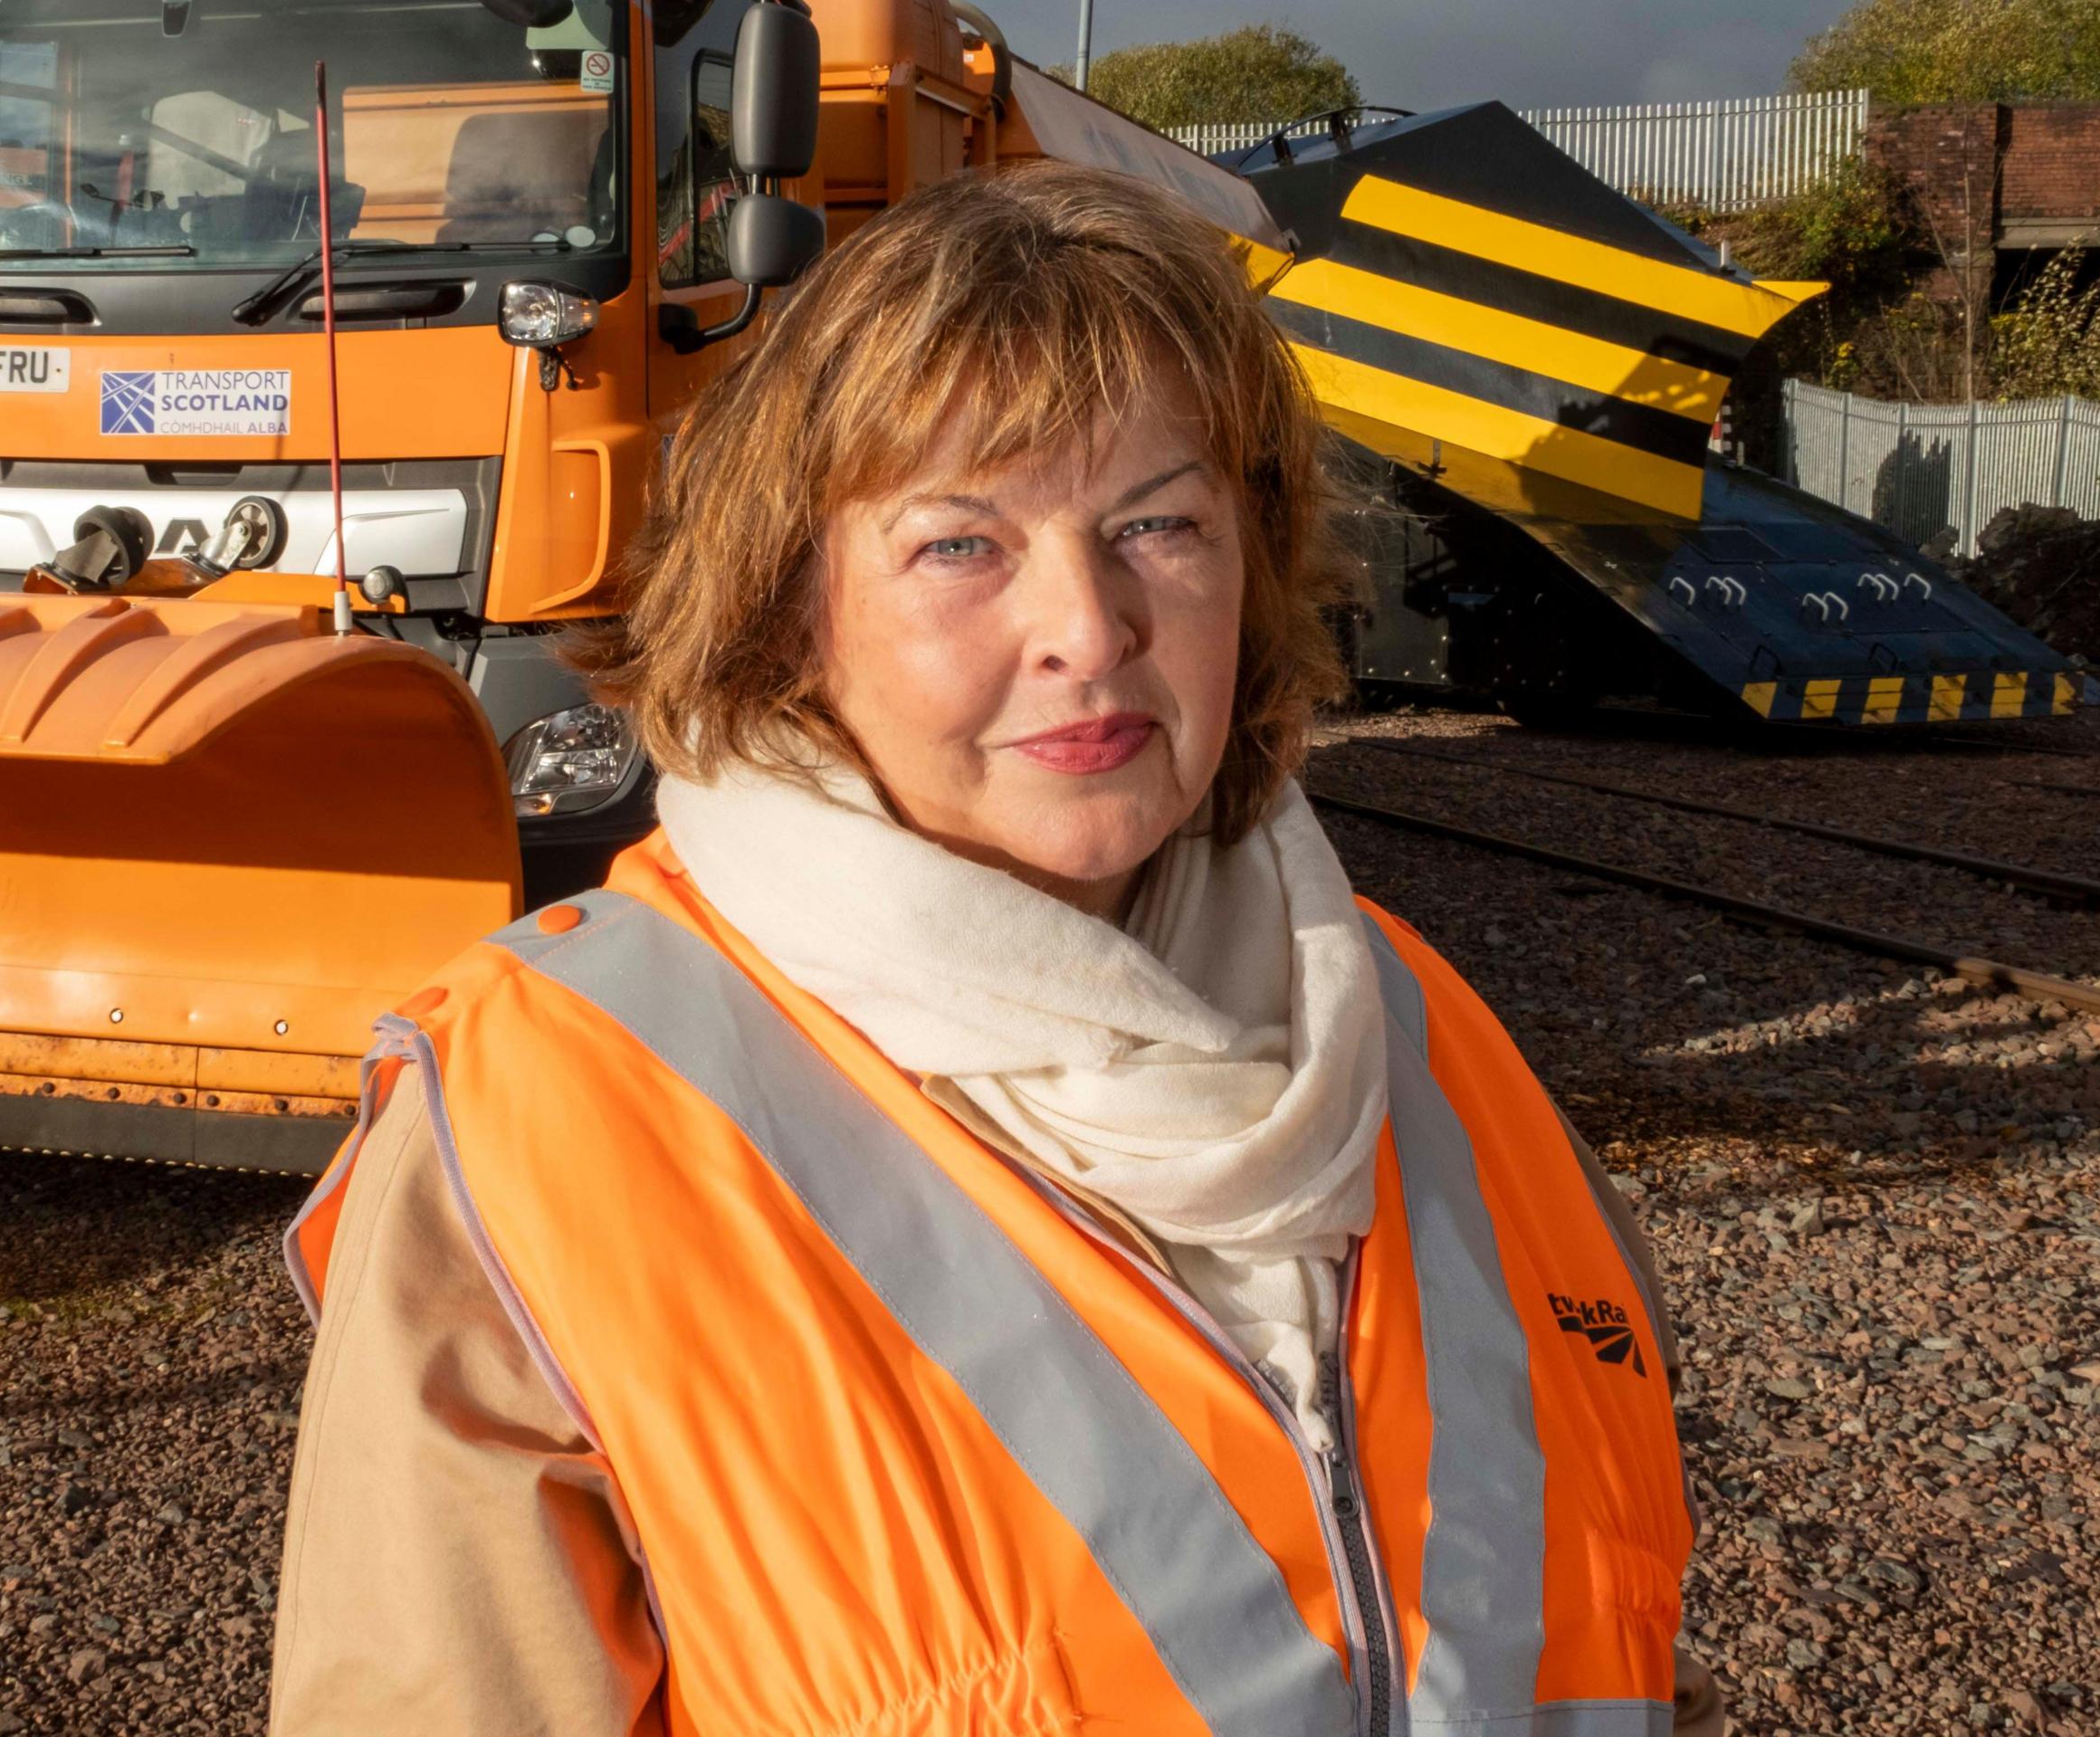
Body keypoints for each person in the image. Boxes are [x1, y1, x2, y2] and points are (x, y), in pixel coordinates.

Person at [271, 162, 1722, 1736]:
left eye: (1158, 523)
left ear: (1256, 561)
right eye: (961, 545)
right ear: (791, 607)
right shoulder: (544, 1110)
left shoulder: (1423, 1030)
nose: (1089, 631)